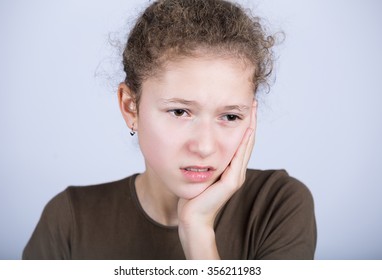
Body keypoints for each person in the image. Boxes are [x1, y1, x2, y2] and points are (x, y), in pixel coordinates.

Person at [23, 0, 316, 260]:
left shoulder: (277, 206)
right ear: (130, 107)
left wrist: (197, 229)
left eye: (229, 116)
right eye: (180, 112)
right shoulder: (70, 220)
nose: (204, 146)